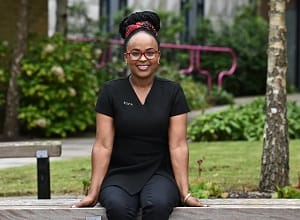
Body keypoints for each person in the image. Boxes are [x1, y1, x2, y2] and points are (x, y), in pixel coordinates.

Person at [73, 10, 207, 220]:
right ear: (127, 57)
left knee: (157, 204)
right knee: (118, 207)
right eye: (135, 53)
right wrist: (93, 192)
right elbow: (103, 145)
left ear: (158, 56)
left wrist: (185, 192)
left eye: (149, 53)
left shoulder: (173, 92)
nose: (142, 59)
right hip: (119, 174)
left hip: (160, 174)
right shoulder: (111, 92)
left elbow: (178, 145)